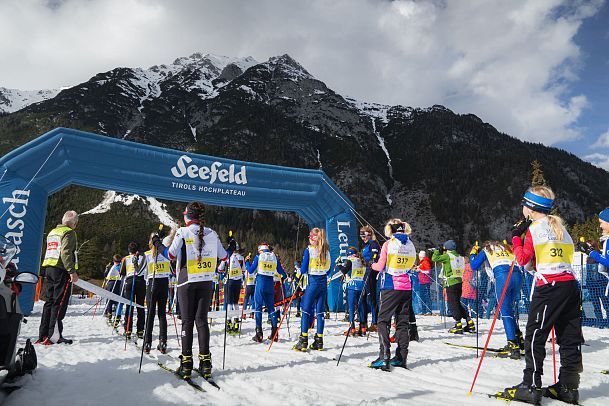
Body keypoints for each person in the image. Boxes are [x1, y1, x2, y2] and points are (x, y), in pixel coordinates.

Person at [500, 186, 582, 405]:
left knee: (535, 335)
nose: (522, 207)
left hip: (549, 287)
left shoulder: (535, 229)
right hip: (570, 285)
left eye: (524, 204)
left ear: (531, 207)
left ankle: (531, 386)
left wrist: (516, 238)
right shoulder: (561, 228)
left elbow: (523, 260)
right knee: (569, 337)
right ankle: (569, 386)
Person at [152, 201, 227, 380]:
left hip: (187, 282)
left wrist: (157, 243)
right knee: (201, 321)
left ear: (187, 216)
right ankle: (205, 363)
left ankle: (186, 364)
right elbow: (224, 256)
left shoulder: (183, 232)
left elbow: (169, 255)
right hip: (206, 282)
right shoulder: (212, 233)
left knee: (187, 322)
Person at [368, 219, 416, 371]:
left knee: (383, 320)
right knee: (402, 322)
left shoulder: (388, 244)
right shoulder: (410, 244)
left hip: (390, 286)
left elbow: (380, 266)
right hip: (406, 287)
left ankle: (384, 356)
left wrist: (372, 264)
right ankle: (401, 357)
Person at [469, 240, 523, 359]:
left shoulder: (487, 249)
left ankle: (512, 345)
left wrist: (473, 253)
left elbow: (474, 265)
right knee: (509, 309)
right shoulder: (507, 248)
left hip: (503, 276)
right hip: (517, 276)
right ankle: (518, 337)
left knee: (505, 311)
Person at [37, 210, 80, 345]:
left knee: (48, 302)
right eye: (76, 223)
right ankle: (54, 336)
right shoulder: (69, 232)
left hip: (49, 268)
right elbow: (66, 252)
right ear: (73, 223)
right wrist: (71, 271)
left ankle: (43, 335)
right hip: (61, 270)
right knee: (59, 303)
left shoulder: (53, 232)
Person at [293, 228, 331, 351]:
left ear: (313, 239)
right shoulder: (327, 251)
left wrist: (299, 269)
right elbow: (329, 270)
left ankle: (303, 340)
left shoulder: (309, 250)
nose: (308, 240)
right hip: (323, 283)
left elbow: (303, 269)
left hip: (312, 282)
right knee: (320, 312)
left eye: (310, 238)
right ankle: (319, 340)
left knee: (306, 310)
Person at [432, 240, 475, 334]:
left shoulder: (448, 256)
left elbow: (435, 258)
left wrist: (437, 251)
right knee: (457, 303)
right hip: (459, 282)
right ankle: (469, 321)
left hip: (450, 282)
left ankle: (458, 324)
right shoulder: (459, 257)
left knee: (453, 304)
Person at [247, 243, 287, 343]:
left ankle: (259, 333)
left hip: (261, 282)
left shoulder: (259, 256)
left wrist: (247, 262)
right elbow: (281, 271)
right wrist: (284, 276)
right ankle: (274, 332)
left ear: (260, 250)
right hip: (270, 283)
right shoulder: (274, 256)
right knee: (271, 308)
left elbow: (251, 270)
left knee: (258, 308)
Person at [143, 232, 172, 354]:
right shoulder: (165, 254)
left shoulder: (147, 254)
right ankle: (163, 341)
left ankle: (147, 342)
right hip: (164, 283)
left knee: (150, 314)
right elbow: (171, 270)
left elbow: (143, 272)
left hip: (152, 283)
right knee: (162, 314)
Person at [337, 247, 367, 336]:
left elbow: (344, 271)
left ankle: (352, 328)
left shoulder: (350, 260)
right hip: (361, 285)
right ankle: (363, 328)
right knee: (360, 307)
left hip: (352, 286)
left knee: (351, 307)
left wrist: (339, 264)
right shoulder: (361, 260)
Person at [120, 242, 146, 340]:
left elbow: (122, 272)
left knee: (129, 305)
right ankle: (140, 330)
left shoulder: (125, 259)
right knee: (140, 306)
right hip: (141, 281)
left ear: (129, 250)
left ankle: (128, 329)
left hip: (130, 281)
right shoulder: (143, 257)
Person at [360, 226, 381, 332]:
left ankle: (375, 322)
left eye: (364, 235)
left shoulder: (373, 243)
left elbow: (375, 256)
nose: (363, 238)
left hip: (371, 272)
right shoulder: (367, 245)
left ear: (369, 234)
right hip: (367, 271)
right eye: (361, 236)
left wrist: (371, 261)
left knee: (371, 297)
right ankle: (363, 322)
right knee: (364, 297)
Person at [225, 245, 245, 335]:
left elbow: (220, 269)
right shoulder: (241, 258)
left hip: (230, 281)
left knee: (229, 302)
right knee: (236, 302)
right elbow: (244, 270)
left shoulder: (228, 257)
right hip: (238, 281)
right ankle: (236, 322)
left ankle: (229, 323)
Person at [103, 254, 123, 326]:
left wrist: (106, 269)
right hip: (118, 283)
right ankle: (114, 314)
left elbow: (105, 275)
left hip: (112, 283)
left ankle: (109, 313)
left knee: (110, 299)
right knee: (116, 299)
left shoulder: (111, 267)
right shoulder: (121, 266)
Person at [416, 251, 433, 315]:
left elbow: (428, 271)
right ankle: (423, 310)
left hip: (425, 281)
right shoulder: (422, 262)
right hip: (421, 281)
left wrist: (421, 270)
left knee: (426, 296)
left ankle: (428, 310)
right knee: (422, 296)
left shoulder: (425, 262)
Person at [243, 252, 256, 318]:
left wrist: (243, 284)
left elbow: (244, 278)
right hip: (253, 285)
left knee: (246, 300)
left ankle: (244, 314)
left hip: (248, 286)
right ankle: (252, 314)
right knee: (253, 300)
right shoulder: (253, 270)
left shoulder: (246, 270)